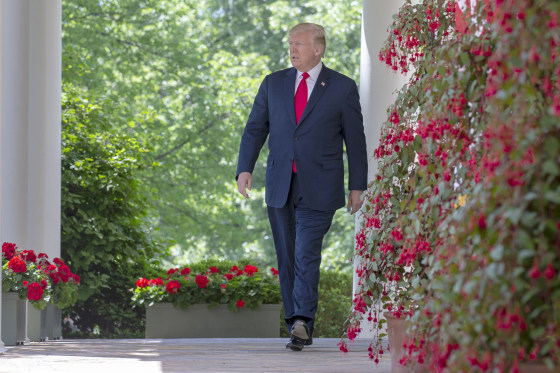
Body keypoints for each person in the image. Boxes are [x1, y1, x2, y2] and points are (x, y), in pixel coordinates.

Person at [236, 22, 368, 351]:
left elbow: (355, 141)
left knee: (306, 252)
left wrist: (357, 185)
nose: (292, 49)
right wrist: (244, 169)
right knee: (287, 256)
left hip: (320, 187)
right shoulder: (273, 84)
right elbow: (255, 129)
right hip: (281, 184)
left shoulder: (342, 87)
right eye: (290, 44)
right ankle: (295, 320)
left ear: (318, 49)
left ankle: (302, 322)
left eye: (299, 44)